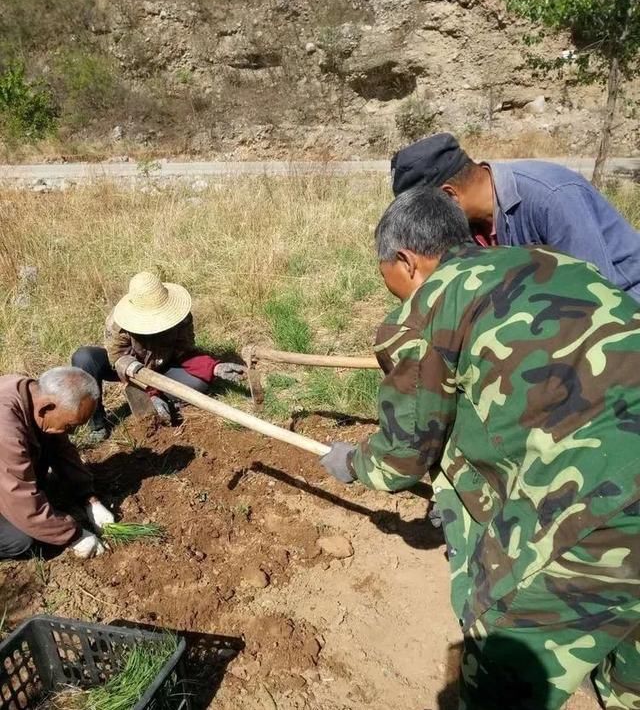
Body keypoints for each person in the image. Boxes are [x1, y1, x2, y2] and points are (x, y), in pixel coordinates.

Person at [320, 186, 640, 709]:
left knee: (500, 673)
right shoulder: (552, 262)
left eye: (387, 274)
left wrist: (353, 462)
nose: (391, 289)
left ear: (406, 260)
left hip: (604, 498)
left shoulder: (427, 309)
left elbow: (404, 457)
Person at [390, 132, 640, 301]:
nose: (426, 226)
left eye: (424, 214)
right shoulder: (466, 225)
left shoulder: (552, 197)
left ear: (450, 196)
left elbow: (597, 295)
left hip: (622, 314)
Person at [72, 272, 246, 441]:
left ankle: (162, 396)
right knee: (84, 359)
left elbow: (185, 353)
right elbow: (120, 361)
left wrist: (214, 367)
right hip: (129, 368)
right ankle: (98, 424)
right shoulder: (118, 325)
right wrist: (150, 392)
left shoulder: (181, 318)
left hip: (164, 365)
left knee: (198, 383)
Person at [0, 367, 113, 559]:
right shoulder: (5, 425)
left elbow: (62, 451)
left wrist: (89, 498)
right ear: (46, 408)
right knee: (19, 540)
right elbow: (18, 494)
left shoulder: (36, 395)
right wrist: (73, 535)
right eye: (70, 426)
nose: (72, 434)